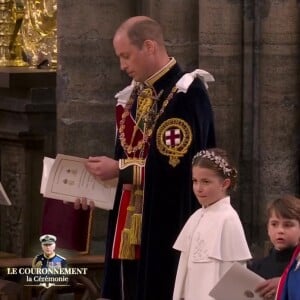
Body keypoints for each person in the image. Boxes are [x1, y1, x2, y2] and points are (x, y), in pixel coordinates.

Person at [84, 15, 216, 300]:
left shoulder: (186, 93)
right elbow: (129, 154)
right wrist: (94, 183)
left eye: (126, 56)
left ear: (149, 46)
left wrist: (118, 169)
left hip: (164, 218)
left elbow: (176, 167)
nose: (122, 65)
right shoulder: (137, 94)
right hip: (129, 218)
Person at [172, 148, 252, 300]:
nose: (198, 188)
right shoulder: (196, 217)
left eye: (206, 182)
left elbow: (235, 273)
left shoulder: (228, 219)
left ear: (225, 183)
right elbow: (185, 268)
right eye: (195, 181)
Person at [248, 195, 300, 300]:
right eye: (274, 224)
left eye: (288, 225)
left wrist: (284, 285)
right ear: (267, 228)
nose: (280, 230)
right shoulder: (256, 267)